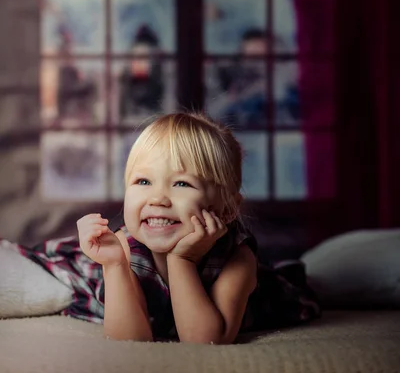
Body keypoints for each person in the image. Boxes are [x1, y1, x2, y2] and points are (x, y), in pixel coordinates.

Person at [8, 112, 319, 343]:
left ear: (226, 208)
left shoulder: (237, 258)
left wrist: (181, 260)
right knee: (45, 267)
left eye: (182, 183)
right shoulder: (124, 248)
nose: (157, 198)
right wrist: (114, 267)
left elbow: (205, 341)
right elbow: (130, 339)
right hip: (102, 268)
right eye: (143, 181)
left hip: (240, 289)